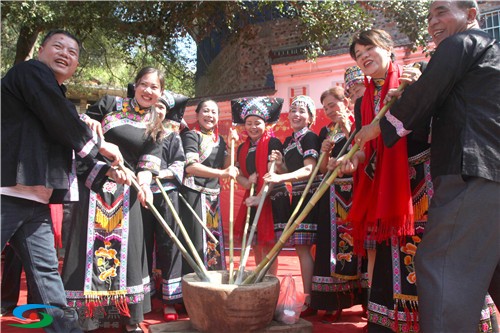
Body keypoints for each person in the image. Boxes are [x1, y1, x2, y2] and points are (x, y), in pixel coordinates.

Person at [355, 1, 500, 332]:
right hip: (488, 174)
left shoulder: (461, 43)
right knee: (488, 266)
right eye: (430, 15)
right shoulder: (487, 54)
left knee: (440, 264)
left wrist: (377, 127)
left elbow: (424, 97)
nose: (433, 21)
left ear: (471, 15)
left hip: (470, 172)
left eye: (442, 11)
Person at [1, 29, 124, 333]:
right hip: (5, 194)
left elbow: (69, 147)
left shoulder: (60, 100)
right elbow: (63, 123)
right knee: (47, 280)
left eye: (72, 53)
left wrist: (107, 170)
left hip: (35, 203)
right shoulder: (30, 73)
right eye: (58, 46)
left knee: (47, 282)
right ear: (41, 51)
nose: (65, 54)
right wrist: (102, 147)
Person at [333, 28, 433, 333]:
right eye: (358, 55)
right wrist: (351, 159)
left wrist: (412, 91)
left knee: (424, 251)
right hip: (385, 187)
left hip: (418, 182)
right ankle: (393, 322)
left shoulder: (414, 78)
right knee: (391, 251)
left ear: (388, 48)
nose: (364, 57)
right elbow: (364, 147)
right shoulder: (366, 100)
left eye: (369, 49)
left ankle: (431, 320)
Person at [62, 67, 165, 333]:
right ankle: (88, 317)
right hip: (95, 184)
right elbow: (79, 128)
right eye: (144, 84)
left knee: (128, 251)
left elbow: (146, 165)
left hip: (127, 192)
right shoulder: (110, 104)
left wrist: (145, 185)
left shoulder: (156, 125)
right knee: (87, 249)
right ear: (135, 85)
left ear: (161, 92)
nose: (148, 91)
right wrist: (91, 125)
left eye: (154, 87)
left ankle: (129, 318)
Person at [310, 87, 366, 322]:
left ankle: (363, 299)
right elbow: (322, 169)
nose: (330, 111)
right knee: (330, 245)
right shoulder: (327, 130)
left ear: (345, 102)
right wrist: (324, 153)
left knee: (356, 245)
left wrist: (346, 127)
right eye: (326, 108)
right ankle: (333, 301)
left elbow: (362, 149)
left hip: (355, 190)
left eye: (333, 105)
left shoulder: (357, 122)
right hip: (332, 194)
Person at [263, 95, 320, 317]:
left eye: (302, 111)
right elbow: (289, 172)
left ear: (310, 118)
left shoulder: (310, 138)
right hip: (297, 194)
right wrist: (280, 165)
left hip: (311, 194)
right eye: (293, 110)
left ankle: (310, 297)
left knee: (305, 248)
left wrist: (278, 179)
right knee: (301, 248)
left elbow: (309, 170)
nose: (296, 114)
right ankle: (311, 296)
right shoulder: (288, 142)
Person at [141, 91, 188, 322]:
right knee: (142, 243)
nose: (158, 110)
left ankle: (170, 300)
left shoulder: (172, 135)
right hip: (140, 194)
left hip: (166, 193)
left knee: (169, 243)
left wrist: (161, 173)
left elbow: (180, 163)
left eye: (162, 107)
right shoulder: (137, 131)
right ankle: (144, 297)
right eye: (155, 105)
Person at [230, 96, 290, 276]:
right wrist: (248, 183)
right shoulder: (242, 148)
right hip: (253, 197)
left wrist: (260, 197)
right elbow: (238, 175)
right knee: (255, 244)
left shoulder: (273, 143)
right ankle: (259, 281)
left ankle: (270, 283)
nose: (253, 127)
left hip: (272, 197)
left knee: (269, 246)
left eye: (257, 123)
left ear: (265, 124)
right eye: (249, 123)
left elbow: (273, 175)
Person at [180, 99, 238, 275]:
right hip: (194, 195)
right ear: (197, 114)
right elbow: (191, 167)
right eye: (205, 111)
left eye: (214, 112)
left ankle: (215, 281)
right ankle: (194, 285)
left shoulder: (218, 140)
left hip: (213, 198)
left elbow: (226, 164)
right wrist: (222, 174)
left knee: (214, 242)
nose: (210, 115)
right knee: (197, 242)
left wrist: (231, 144)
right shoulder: (191, 136)